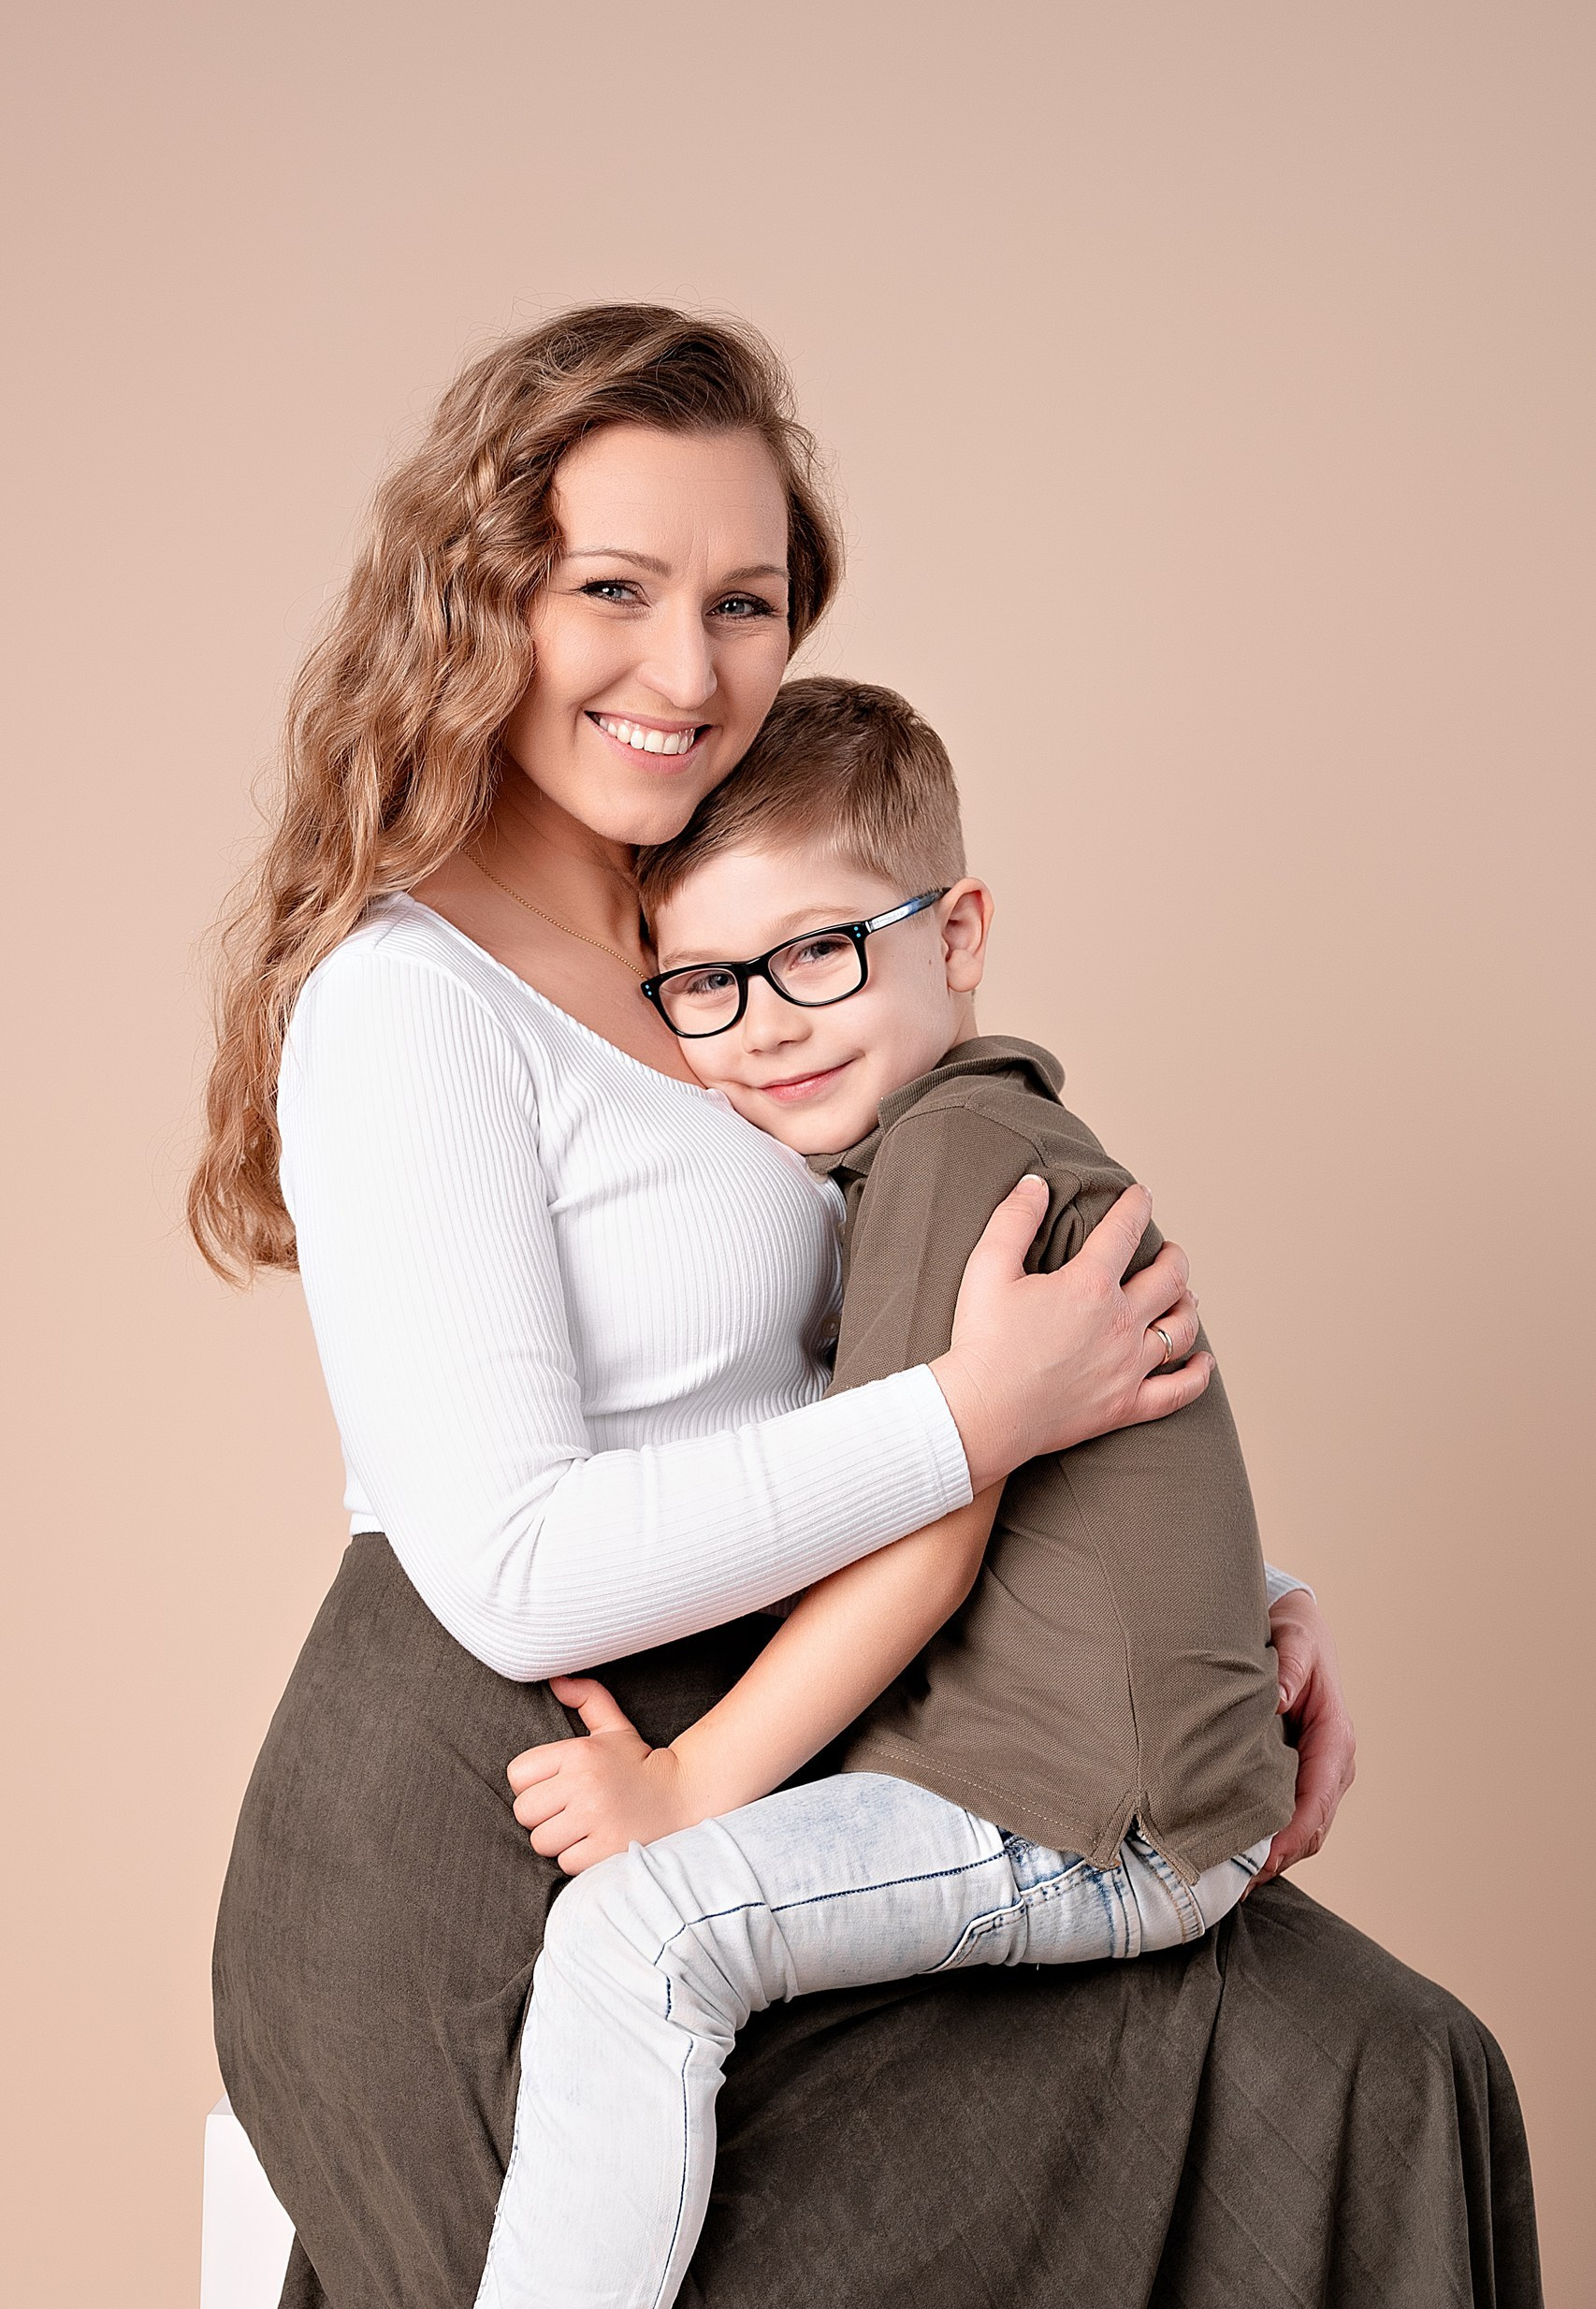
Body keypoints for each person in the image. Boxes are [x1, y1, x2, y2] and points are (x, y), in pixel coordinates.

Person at [196, 305, 1536, 2309]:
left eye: (744, 600)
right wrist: (975, 1428)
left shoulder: (719, 945)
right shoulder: (411, 1003)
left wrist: (1213, 1582)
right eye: (613, 590)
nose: (687, 668)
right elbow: (519, 1563)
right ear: (484, 602)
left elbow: (901, 1344)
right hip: (501, 1830)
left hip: (825, 1725)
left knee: (1387, 2065)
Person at [480, 674, 1305, 2305]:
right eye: (703, 982)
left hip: (1097, 1816)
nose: (769, 1021)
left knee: (639, 1937)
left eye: (819, 950)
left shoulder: (949, 1156)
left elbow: (917, 1549)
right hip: (1091, 1771)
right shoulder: (948, 1147)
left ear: (959, 932)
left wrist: (684, 1788)